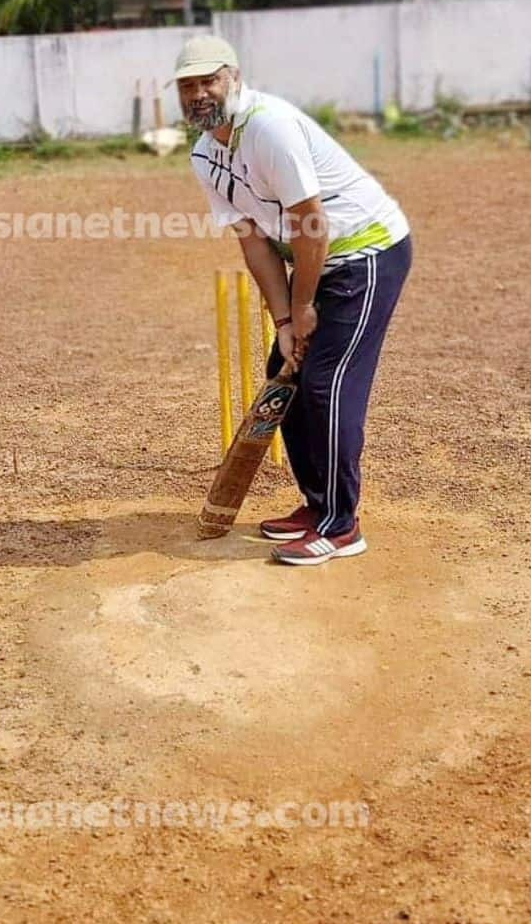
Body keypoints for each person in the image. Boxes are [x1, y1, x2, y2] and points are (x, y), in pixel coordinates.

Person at [173, 34, 412, 566]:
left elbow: (312, 225)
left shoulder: (269, 128)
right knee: (284, 371)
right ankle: (316, 506)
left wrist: (304, 307)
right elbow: (253, 241)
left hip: (364, 254)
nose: (198, 94)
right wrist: (284, 318)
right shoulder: (203, 153)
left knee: (327, 383)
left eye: (208, 81)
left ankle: (341, 526)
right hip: (310, 260)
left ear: (234, 77)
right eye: (188, 86)